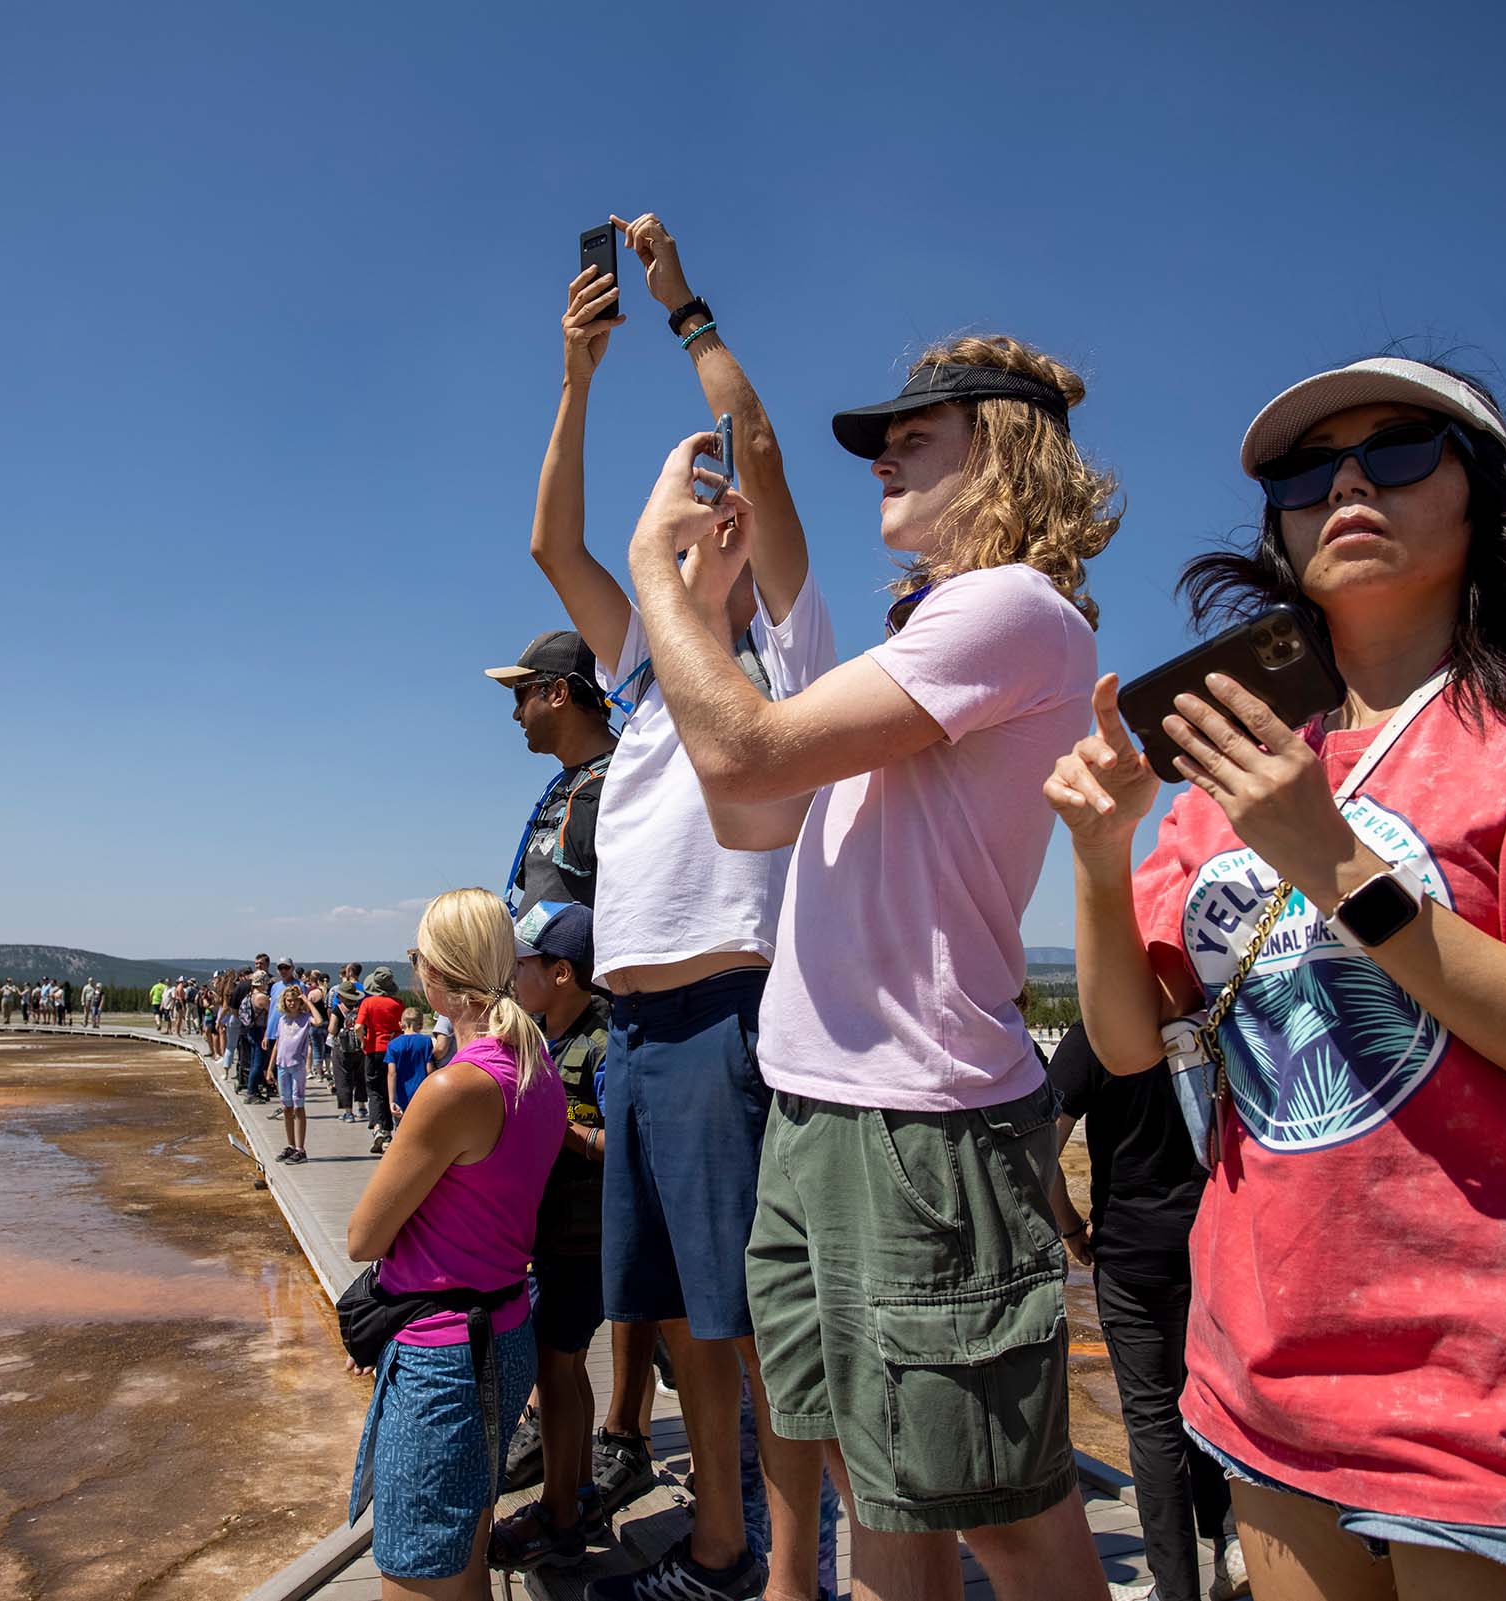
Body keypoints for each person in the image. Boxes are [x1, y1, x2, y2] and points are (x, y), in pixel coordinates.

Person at [1049, 356, 1506, 1599]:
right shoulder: (1249, 759)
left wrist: (1333, 859)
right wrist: (1100, 867)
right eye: (1309, 471)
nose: (1351, 482)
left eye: (1404, 450)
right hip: (1267, 1375)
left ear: (1483, 497)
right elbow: (1128, 1036)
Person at [634, 331, 1117, 1600]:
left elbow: (741, 761)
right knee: (872, 1473)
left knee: (1002, 1510)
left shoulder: (1008, 607)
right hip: (828, 1106)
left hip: (920, 1120)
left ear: (1004, 451)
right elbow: (754, 810)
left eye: (918, 436)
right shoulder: (936, 628)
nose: (885, 459)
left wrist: (658, 585)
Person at [530, 210, 833, 1601]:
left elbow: (758, 452)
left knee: (761, 1319)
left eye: (729, 524)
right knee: (682, 1321)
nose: (716, 522)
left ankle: (790, 1566)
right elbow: (553, 544)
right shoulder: (645, 677)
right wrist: (578, 374)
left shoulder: (781, 651)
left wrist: (684, 310)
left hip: (726, 1018)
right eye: (703, 521)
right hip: (638, 1041)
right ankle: (719, 1546)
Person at [345, 888, 567, 1599]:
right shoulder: (537, 1068)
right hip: (502, 1330)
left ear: (437, 973)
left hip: (445, 1359)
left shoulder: (456, 1087)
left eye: (418, 958)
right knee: (463, 1561)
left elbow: (362, 1235)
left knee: (417, 1571)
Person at [1047, 1026, 1246, 1601]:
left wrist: (1069, 1227)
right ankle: (1233, 1546)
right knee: (1216, 1403)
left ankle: (1174, 1589)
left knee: (1152, 1421)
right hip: (1215, 1243)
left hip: (1133, 1253)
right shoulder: (1210, 1013)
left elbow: (1040, 1150)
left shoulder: (1094, 1034)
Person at [490, 900, 614, 1569]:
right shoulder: (543, 1035)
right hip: (554, 1240)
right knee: (564, 1368)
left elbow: (630, 1144)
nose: (514, 973)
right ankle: (581, 1487)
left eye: (524, 962)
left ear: (561, 971)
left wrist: (563, 1130)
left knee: (553, 1367)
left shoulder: (603, 1043)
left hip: (584, 1244)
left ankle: (559, 1513)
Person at [487, 631, 616, 913]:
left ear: (559, 693)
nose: (516, 714)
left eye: (520, 694)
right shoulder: (560, 786)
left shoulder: (627, 781)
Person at [266, 982, 318, 1161]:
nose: (292, 1004)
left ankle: (300, 1148)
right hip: (282, 1066)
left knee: (298, 1106)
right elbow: (278, 1044)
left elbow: (318, 1021)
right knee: (286, 1107)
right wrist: (270, 1067)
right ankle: (290, 1145)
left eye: (295, 1001)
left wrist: (307, 1001)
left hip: (297, 1066)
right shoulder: (282, 1020)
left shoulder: (305, 1019)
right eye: (289, 1001)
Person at [358, 966, 405, 1153]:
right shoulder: (398, 1004)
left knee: (374, 1090)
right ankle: (388, 1131)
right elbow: (402, 1026)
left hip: (372, 1049)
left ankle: (378, 1128)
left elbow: (358, 1026)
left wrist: (363, 1041)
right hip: (392, 1049)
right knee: (389, 1090)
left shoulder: (368, 1003)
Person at [329, 964, 369, 1123]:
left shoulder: (338, 1009)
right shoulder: (361, 1008)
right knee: (360, 1077)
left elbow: (332, 1029)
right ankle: (362, 1107)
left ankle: (348, 1112)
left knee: (343, 1079)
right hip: (359, 1047)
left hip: (343, 1049)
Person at [387, 1008, 437, 1120]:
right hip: (421, 1094)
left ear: (400, 1024)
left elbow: (391, 1073)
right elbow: (429, 1070)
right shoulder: (426, 1042)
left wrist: (391, 1101)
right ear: (421, 1025)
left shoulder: (393, 1045)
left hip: (401, 1096)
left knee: (401, 1129)